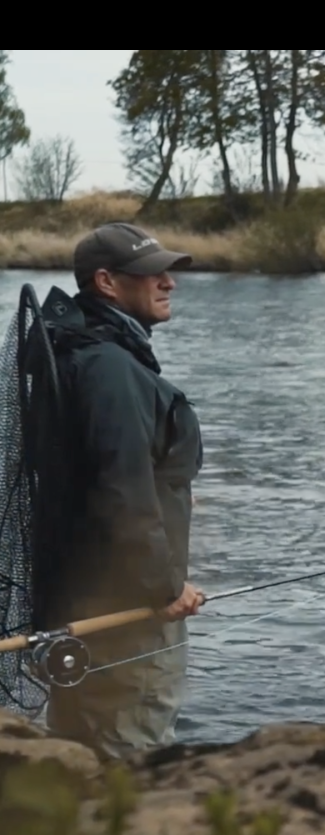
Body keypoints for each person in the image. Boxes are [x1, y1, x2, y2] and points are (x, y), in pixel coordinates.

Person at [32, 222, 204, 760]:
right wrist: (164, 585)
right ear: (106, 282)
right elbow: (122, 491)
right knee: (132, 769)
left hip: (79, 605)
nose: (168, 283)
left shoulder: (74, 353)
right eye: (152, 273)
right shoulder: (110, 367)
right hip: (127, 617)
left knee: (75, 764)